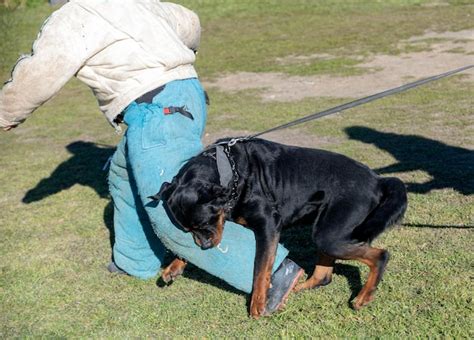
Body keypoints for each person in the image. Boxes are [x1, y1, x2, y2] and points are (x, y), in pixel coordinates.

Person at [0, 0, 303, 316]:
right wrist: (176, 59)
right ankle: (136, 262)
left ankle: (278, 269)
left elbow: (40, 70)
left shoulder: (72, 16)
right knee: (123, 175)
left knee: (172, 210)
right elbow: (188, 21)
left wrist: (5, 113)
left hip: (156, 108)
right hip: (185, 94)